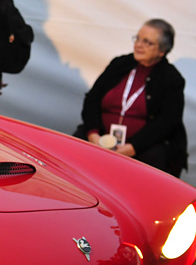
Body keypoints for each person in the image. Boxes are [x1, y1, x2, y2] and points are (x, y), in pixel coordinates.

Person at [75, 19, 188, 176]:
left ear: (162, 51)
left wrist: (132, 148)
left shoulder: (171, 78)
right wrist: (93, 134)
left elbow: (167, 122)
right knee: (73, 148)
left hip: (142, 146)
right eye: (138, 38)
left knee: (154, 160)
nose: (139, 45)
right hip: (99, 139)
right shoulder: (119, 64)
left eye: (147, 42)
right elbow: (92, 99)